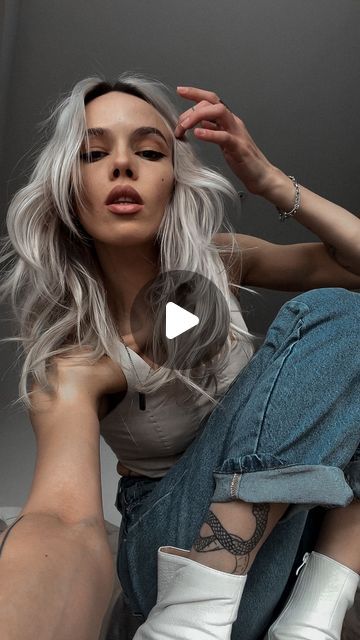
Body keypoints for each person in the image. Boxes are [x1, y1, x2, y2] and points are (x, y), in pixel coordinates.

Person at [0, 73, 359, 640]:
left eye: (147, 150)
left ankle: (313, 620)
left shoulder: (218, 262)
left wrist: (267, 181)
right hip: (168, 555)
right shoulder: (76, 360)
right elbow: (62, 517)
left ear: (172, 178)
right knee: (333, 318)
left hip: (277, 569)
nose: (123, 166)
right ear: (68, 185)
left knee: (343, 320)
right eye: (94, 154)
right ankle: (193, 611)